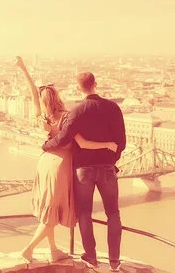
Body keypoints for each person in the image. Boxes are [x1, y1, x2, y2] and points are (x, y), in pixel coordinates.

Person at [14, 57, 118, 263]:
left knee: (49, 209)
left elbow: (33, 92)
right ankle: (29, 248)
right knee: (51, 214)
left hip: (44, 162)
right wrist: (107, 145)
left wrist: (23, 68)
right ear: (57, 97)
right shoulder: (66, 117)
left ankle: (53, 250)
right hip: (59, 167)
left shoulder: (41, 116)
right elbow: (84, 144)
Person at [42, 71, 126, 271]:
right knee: (113, 213)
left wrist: (46, 146)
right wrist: (111, 159)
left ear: (79, 88)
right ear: (95, 84)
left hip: (83, 170)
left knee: (85, 214)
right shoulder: (113, 108)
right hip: (107, 168)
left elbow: (62, 138)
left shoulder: (77, 111)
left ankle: (91, 256)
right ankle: (114, 260)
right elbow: (121, 141)